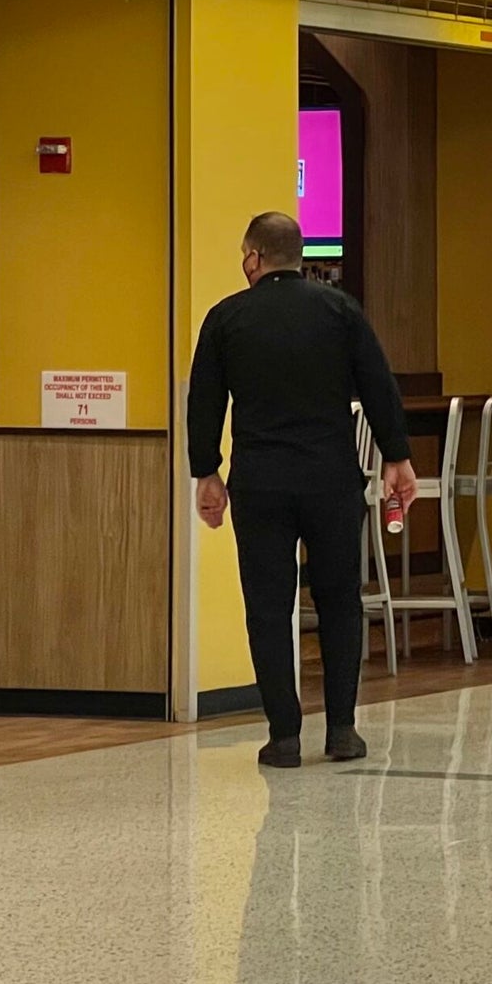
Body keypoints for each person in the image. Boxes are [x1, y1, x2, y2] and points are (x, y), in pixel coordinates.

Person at [187, 212, 416, 770]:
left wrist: (207, 472)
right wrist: (397, 456)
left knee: (268, 606)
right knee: (339, 600)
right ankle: (342, 730)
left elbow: (204, 400)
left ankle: (283, 735)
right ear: (300, 256)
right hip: (330, 477)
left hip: (261, 481)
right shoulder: (340, 310)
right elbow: (377, 383)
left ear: (253, 258)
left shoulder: (227, 318)